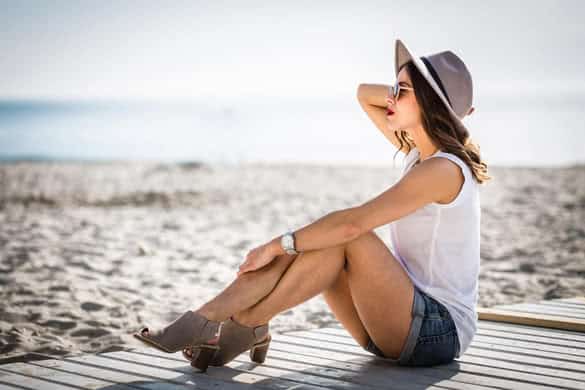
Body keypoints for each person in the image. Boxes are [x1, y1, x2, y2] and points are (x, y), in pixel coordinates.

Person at [134, 38, 491, 371]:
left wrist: (276, 245)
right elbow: (363, 94)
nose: (391, 97)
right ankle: (223, 320)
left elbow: (354, 224)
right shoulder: (419, 155)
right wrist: (413, 92)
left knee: (348, 235)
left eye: (402, 90)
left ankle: (234, 322)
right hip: (392, 322)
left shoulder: (443, 170)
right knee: (323, 240)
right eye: (394, 89)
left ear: (428, 102)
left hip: (437, 333)